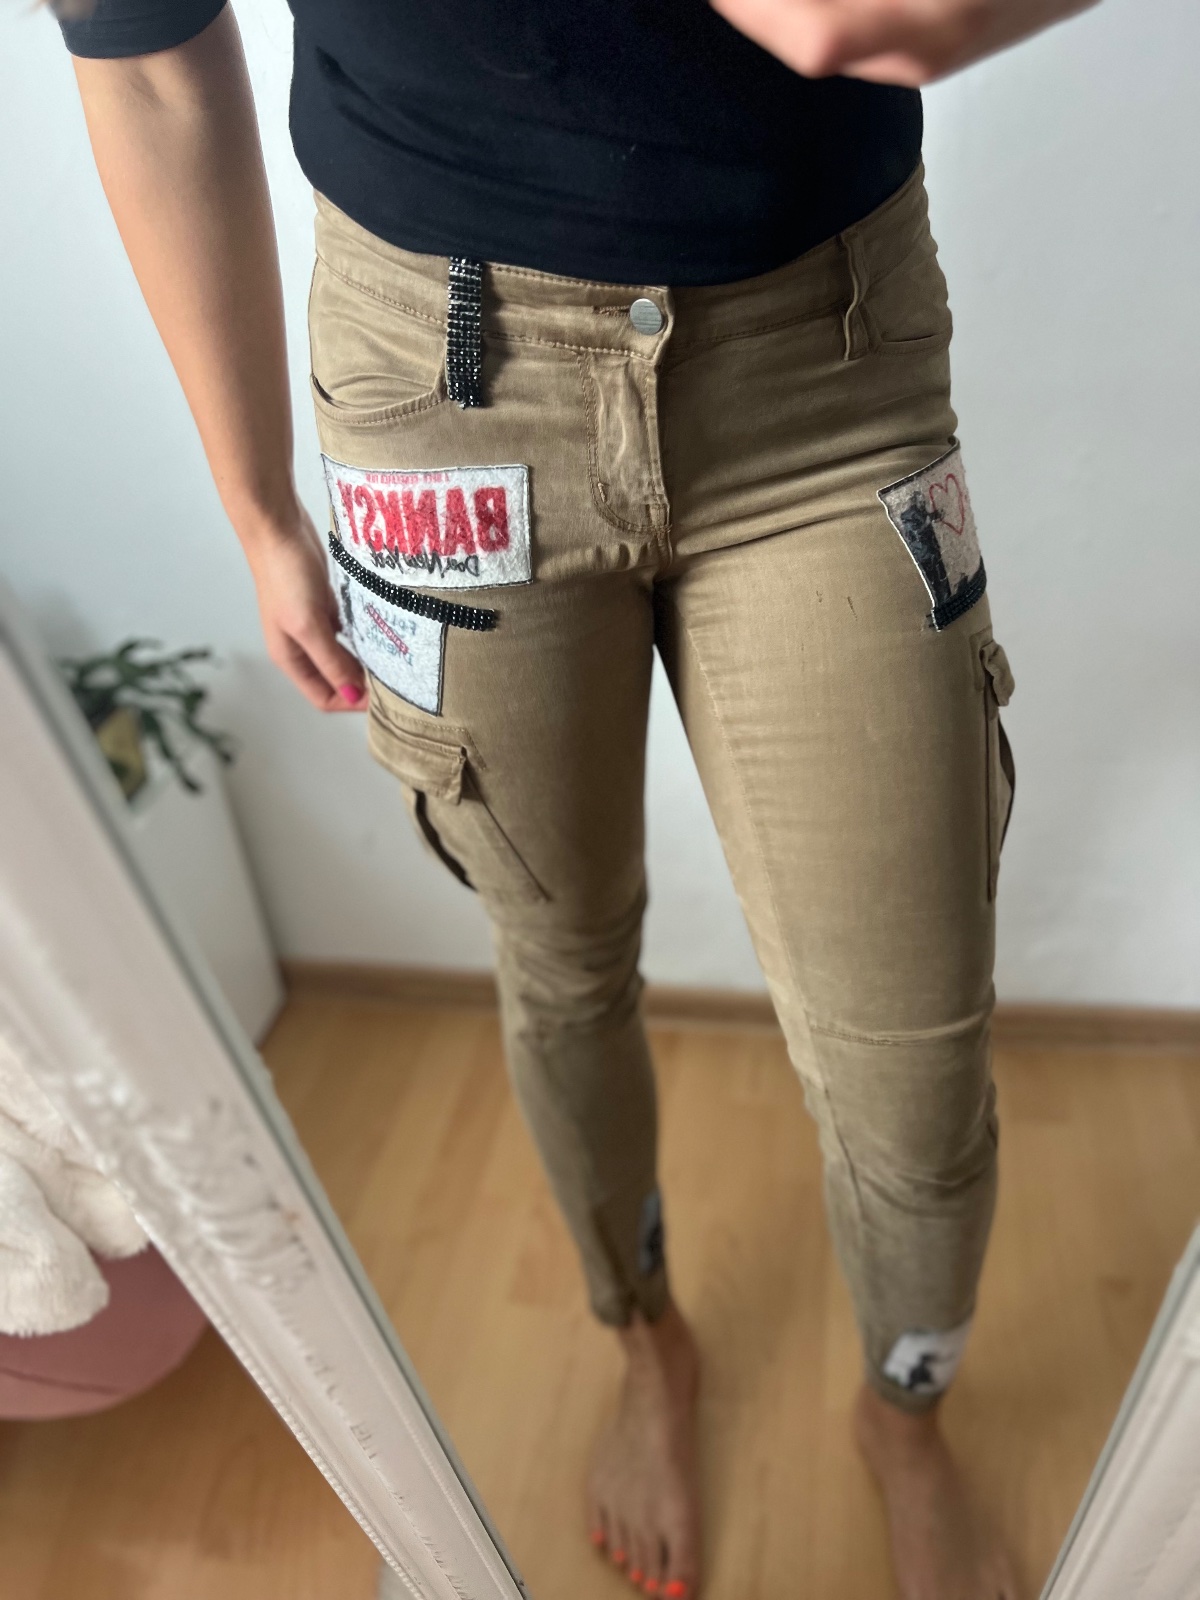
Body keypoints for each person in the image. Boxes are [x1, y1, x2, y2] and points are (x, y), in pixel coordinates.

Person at [54, 2, 1093, 1595]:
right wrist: (255, 504)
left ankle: (906, 1413)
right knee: (564, 961)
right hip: (443, 381)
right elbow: (144, 57)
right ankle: (644, 1338)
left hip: (822, 360)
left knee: (914, 1067)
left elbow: (861, 22)